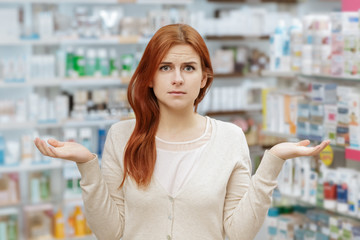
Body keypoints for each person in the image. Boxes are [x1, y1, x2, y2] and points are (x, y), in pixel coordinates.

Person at [34, 24, 330, 240]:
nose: (177, 79)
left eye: (188, 68)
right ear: (149, 77)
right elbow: (110, 232)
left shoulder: (229, 138)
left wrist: (272, 162)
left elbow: (238, 233)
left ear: (204, 78)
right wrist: (87, 165)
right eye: (165, 68)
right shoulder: (122, 136)